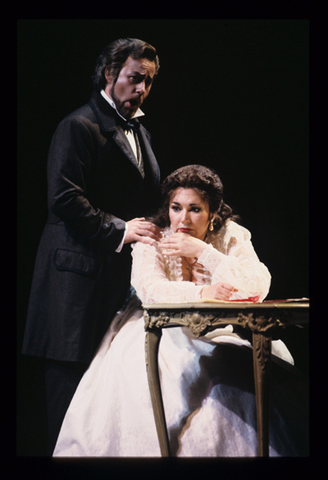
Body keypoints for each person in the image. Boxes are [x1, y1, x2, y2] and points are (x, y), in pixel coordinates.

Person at [53, 165, 309, 457]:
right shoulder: (154, 235)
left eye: (195, 209)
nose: (183, 219)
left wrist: (203, 252)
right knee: (187, 373)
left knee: (245, 374)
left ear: (212, 213)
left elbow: (259, 284)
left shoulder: (229, 235)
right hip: (154, 327)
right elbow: (150, 290)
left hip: (220, 331)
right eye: (176, 208)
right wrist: (203, 292)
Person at [21, 38, 162, 455]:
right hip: (75, 282)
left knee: (105, 396)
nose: (142, 90)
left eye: (149, 82)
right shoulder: (78, 125)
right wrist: (120, 230)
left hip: (115, 279)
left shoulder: (141, 130)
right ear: (109, 74)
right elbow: (64, 198)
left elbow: (143, 199)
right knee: (70, 391)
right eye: (135, 79)